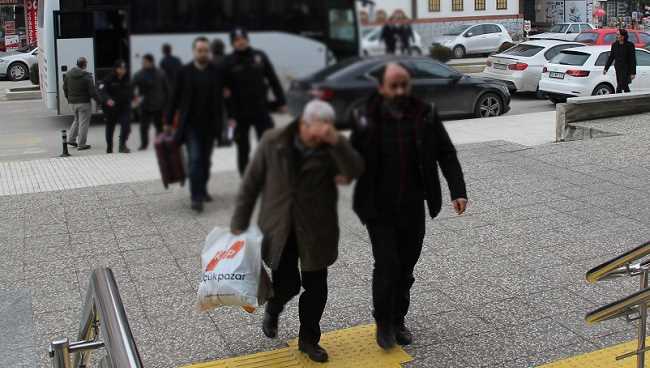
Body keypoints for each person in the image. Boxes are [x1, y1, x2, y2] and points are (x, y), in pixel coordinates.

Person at [230, 100, 364, 363]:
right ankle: (274, 308)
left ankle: (309, 340)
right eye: (318, 131)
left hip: (316, 229)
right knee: (287, 284)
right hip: (281, 227)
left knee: (317, 288)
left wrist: (337, 141)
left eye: (328, 130)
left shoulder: (330, 146)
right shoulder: (273, 141)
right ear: (304, 123)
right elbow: (251, 182)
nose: (321, 137)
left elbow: (355, 169)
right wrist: (239, 222)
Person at [350, 63, 468, 350]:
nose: (400, 91)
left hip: (413, 206)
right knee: (387, 265)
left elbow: (446, 152)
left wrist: (458, 191)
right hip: (378, 208)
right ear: (382, 88)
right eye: (394, 86)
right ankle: (383, 323)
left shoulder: (425, 113)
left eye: (404, 85)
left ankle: (398, 318)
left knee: (406, 267)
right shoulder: (365, 115)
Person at [167, 37, 227, 213]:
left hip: (210, 126)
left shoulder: (216, 72)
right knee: (194, 161)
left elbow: (222, 98)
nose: (203, 53)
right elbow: (174, 98)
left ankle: (203, 188)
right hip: (190, 126)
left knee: (206, 162)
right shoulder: (184, 72)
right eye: (200, 50)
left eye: (205, 50)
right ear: (193, 51)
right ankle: (196, 197)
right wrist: (168, 122)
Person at [223, 27, 287, 176]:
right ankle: (245, 179)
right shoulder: (228, 61)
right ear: (232, 43)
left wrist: (281, 101)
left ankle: (268, 176)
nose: (240, 42)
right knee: (243, 148)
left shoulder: (259, 56)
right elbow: (224, 90)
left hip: (260, 109)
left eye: (243, 39)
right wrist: (229, 115)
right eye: (237, 40)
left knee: (267, 144)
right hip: (239, 112)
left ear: (247, 39)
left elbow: (273, 79)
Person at [133, 54, 169, 150]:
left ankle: (160, 143)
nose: (143, 64)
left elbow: (167, 89)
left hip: (158, 105)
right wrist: (134, 98)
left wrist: (167, 102)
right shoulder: (139, 74)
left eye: (144, 62)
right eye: (143, 62)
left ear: (151, 62)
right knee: (143, 127)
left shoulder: (161, 73)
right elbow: (132, 86)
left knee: (159, 127)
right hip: (145, 105)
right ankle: (144, 145)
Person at [98, 60, 133, 154]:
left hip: (124, 107)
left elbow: (132, 90)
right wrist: (107, 99)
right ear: (116, 69)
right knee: (110, 128)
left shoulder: (128, 78)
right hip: (111, 108)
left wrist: (134, 98)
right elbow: (102, 91)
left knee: (126, 125)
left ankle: (122, 145)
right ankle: (109, 147)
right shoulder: (108, 78)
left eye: (124, 68)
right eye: (121, 68)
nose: (123, 70)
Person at [63, 57, 97, 151]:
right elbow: (92, 92)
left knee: (77, 120)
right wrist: (99, 101)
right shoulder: (87, 76)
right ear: (85, 64)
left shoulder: (68, 74)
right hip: (84, 104)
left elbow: (64, 88)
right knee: (83, 124)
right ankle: (81, 144)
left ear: (77, 63)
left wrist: (68, 98)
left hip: (72, 103)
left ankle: (71, 139)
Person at [604, 29, 637, 93]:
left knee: (620, 86)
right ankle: (627, 99)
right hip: (618, 68)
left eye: (618, 35)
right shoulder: (614, 45)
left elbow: (633, 59)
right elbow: (611, 57)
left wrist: (633, 73)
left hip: (627, 69)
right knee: (624, 86)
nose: (616, 36)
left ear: (623, 36)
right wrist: (606, 68)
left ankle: (618, 98)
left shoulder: (630, 45)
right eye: (616, 34)